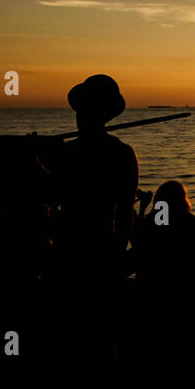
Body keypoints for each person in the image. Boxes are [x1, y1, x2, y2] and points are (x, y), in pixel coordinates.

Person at [50, 74, 139, 283]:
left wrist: (38, 162)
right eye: (80, 110)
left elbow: (52, 196)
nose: (79, 116)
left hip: (81, 247)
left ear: (99, 114)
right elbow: (126, 214)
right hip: (86, 246)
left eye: (85, 110)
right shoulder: (123, 153)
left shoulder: (69, 152)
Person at [131, 180, 195, 287]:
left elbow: (138, 242)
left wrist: (142, 208)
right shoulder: (189, 220)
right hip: (186, 277)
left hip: (154, 277)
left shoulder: (154, 220)